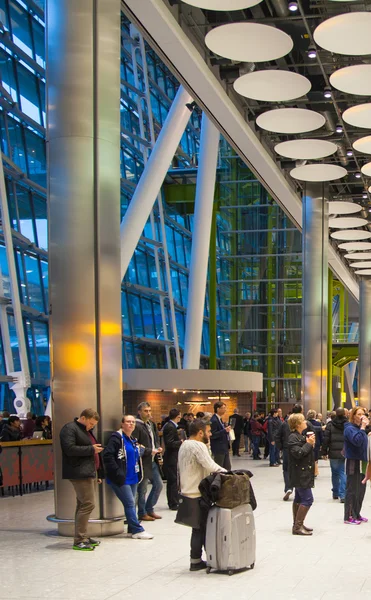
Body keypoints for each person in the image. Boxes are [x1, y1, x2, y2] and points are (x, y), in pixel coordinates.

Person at [177, 419, 226, 571]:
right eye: (208, 432)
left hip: (187, 491)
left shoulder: (185, 444)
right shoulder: (197, 445)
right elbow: (210, 465)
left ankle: (197, 558)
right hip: (197, 493)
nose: (210, 434)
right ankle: (196, 561)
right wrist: (229, 473)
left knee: (197, 528)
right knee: (200, 529)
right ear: (200, 433)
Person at [59, 408, 104, 551]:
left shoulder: (85, 430)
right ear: (83, 418)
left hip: (89, 472)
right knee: (88, 504)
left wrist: (98, 472)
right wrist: (91, 449)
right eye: (90, 423)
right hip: (79, 472)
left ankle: (82, 536)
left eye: (93, 425)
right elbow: (69, 449)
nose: (91, 426)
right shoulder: (69, 429)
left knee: (82, 504)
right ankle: (79, 539)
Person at [103, 415, 154, 540]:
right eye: (128, 422)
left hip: (133, 476)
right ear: (122, 424)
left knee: (132, 503)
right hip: (121, 478)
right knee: (130, 503)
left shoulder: (132, 439)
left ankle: (132, 528)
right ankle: (137, 530)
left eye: (132, 422)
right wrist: (118, 473)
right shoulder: (116, 438)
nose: (131, 424)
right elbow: (108, 456)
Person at [133, 402, 163, 522]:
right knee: (142, 489)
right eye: (146, 411)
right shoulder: (137, 425)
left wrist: (157, 448)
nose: (148, 413)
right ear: (139, 411)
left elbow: (154, 438)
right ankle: (142, 512)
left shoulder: (150, 424)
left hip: (152, 460)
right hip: (143, 461)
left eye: (150, 410)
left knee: (159, 484)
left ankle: (149, 508)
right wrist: (150, 450)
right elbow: (136, 443)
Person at [288, 412, 316, 536]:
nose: (306, 423)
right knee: (308, 499)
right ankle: (297, 526)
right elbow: (298, 453)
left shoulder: (299, 436)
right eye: (303, 421)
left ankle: (297, 524)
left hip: (303, 472)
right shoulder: (293, 437)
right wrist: (308, 444)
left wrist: (309, 444)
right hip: (300, 473)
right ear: (298, 424)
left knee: (299, 498)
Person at [343, 406, 368, 525]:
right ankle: (348, 516)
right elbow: (357, 441)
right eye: (359, 414)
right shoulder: (349, 428)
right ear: (353, 416)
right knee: (352, 489)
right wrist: (363, 428)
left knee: (361, 490)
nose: (362, 416)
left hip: (362, 461)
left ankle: (356, 513)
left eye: (363, 414)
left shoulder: (360, 429)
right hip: (353, 461)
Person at [321, 407, 347, 502]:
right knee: (343, 473)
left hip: (333, 452)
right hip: (344, 452)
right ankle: (343, 494)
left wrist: (324, 451)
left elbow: (326, 439)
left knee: (334, 473)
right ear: (344, 414)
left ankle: (335, 492)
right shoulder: (347, 424)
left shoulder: (330, 424)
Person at [163, 408, 182, 510]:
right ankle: (173, 503)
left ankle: (173, 501)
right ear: (178, 416)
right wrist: (181, 442)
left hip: (172, 456)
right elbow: (169, 443)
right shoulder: (170, 427)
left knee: (173, 480)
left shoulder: (170, 426)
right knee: (173, 480)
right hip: (171, 457)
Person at [210, 401, 231, 470]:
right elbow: (213, 435)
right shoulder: (214, 420)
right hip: (219, 448)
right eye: (223, 408)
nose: (225, 410)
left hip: (224, 447)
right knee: (219, 468)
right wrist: (224, 430)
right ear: (218, 409)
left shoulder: (219, 419)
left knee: (227, 467)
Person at [277, 416, 293, 501]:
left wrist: (281, 447)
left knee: (286, 469)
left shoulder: (284, 424)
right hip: (298, 449)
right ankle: (299, 490)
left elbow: (277, 436)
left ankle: (288, 488)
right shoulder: (301, 424)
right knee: (297, 469)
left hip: (286, 448)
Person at [306, 409, 323, 476]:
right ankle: (315, 471)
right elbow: (320, 435)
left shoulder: (305, 423)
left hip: (307, 442)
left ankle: (309, 471)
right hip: (316, 442)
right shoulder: (318, 424)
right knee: (315, 457)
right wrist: (321, 443)